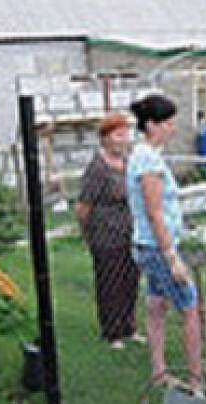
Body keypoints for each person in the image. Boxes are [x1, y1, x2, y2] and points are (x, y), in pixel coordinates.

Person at [126, 94, 204, 393]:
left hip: (148, 246)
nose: (172, 128)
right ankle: (196, 382)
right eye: (167, 123)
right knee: (190, 308)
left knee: (157, 307)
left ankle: (159, 374)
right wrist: (172, 256)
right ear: (151, 125)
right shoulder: (148, 159)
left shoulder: (143, 155)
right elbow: (154, 211)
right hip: (158, 249)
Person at [74, 114, 140, 348]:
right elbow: (83, 206)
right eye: (118, 135)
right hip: (105, 236)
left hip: (129, 234)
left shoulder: (128, 162)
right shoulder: (98, 168)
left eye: (126, 134)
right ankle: (112, 332)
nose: (124, 140)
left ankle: (129, 327)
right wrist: (87, 233)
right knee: (110, 283)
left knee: (130, 281)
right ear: (105, 138)